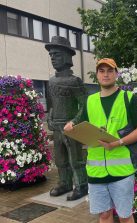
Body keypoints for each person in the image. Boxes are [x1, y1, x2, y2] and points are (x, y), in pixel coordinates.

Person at [64, 58, 137, 223]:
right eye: (101, 71)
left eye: (109, 70)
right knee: (103, 214)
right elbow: (79, 123)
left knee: (125, 215)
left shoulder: (128, 98)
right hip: (97, 172)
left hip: (121, 170)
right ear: (97, 75)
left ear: (116, 74)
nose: (105, 74)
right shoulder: (90, 101)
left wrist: (118, 143)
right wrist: (71, 125)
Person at [45, 36, 88, 201]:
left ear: (66, 56)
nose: (53, 58)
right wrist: (49, 116)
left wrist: (75, 121)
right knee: (60, 159)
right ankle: (65, 183)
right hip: (56, 127)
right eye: (51, 56)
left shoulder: (74, 81)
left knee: (75, 159)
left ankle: (82, 185)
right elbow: (52, 104)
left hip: (71, 128)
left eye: (56, 54)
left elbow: (85, 106)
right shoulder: (51, 81)